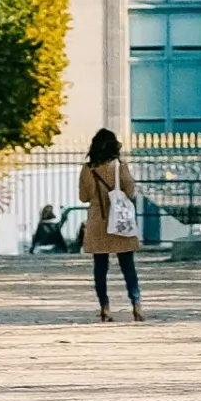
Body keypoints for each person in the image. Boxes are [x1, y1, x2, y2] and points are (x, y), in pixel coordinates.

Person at [79, 128, 144, 318]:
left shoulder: (87, 169)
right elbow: (130, 191)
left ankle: (105, 307)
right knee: (128, 266)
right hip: (120, 221)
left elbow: (83, 197)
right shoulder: (119, 166)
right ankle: (136, 303)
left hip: (98, 221)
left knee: (100, 268)